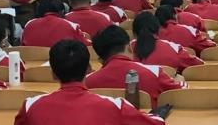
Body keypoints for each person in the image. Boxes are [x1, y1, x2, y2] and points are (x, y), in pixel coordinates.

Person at [13, 39, 164, 125]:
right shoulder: (115, 106)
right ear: (89, 69)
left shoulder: (30, 106)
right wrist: (157, 115)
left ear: (53, 73)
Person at [85, 25, 184, 105]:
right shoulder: (154, 72)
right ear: (129, 47)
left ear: (100, 58)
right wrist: (180, 79)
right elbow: (183, 93)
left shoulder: (87, 81)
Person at [130, 11, 204, 73]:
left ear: (134, 33)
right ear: (158, 29)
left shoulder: (126, 49)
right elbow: (200, 64)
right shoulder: (174, 48)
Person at [22, 0, 90, 47]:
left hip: (31, 61)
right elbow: (87, 46)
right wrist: (86, 37)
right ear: (61, 11)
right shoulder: (72, 26)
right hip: (62, 61)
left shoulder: (28, 24)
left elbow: (23, 47)